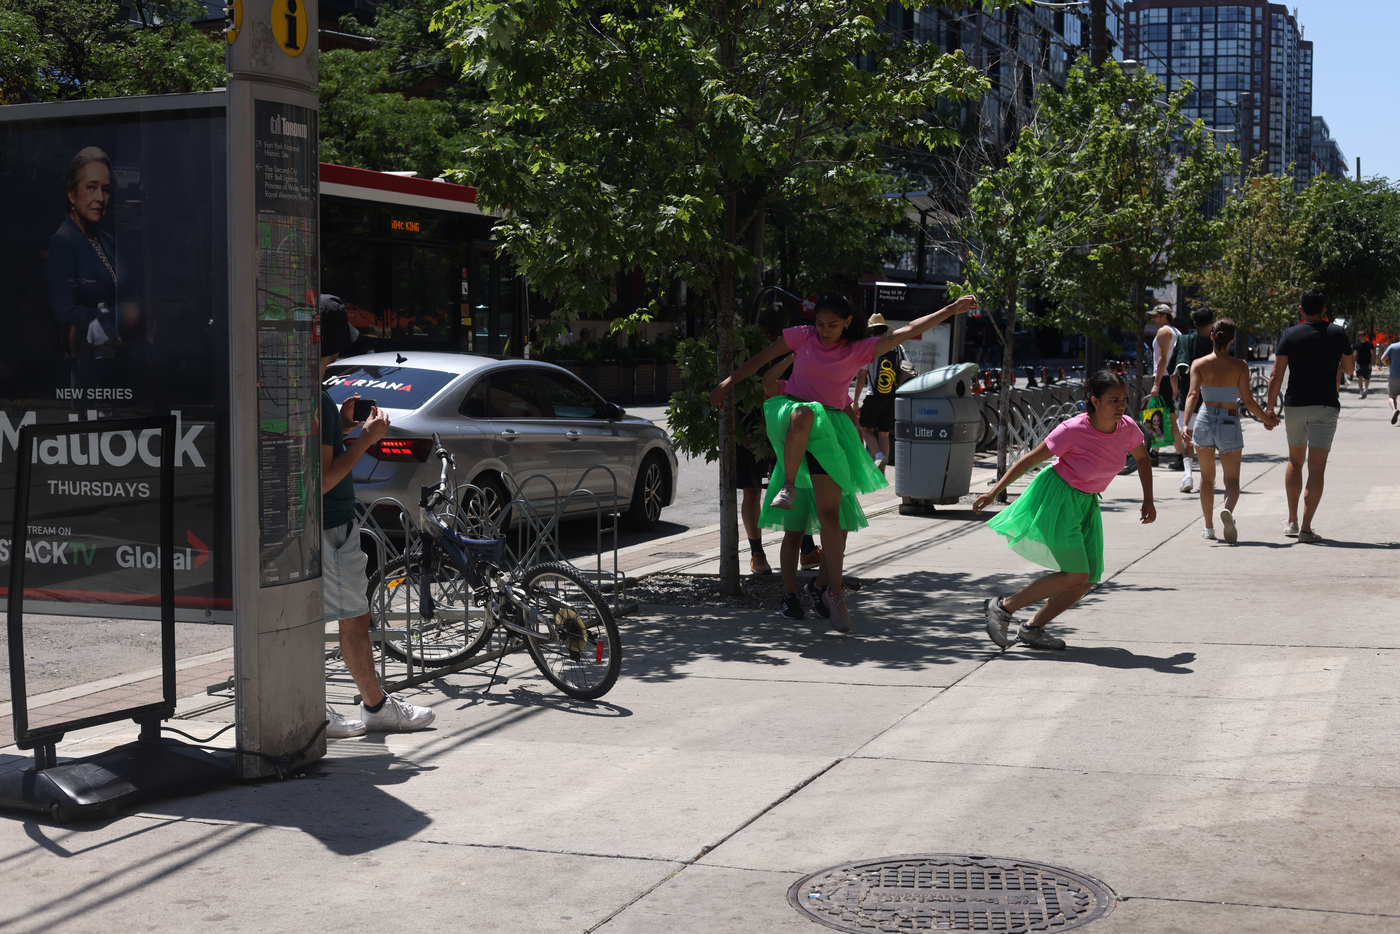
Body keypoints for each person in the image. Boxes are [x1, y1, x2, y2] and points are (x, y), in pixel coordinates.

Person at [711, 292, 978, 632]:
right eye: (820, 323)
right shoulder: (802, 336)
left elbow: (908, 329)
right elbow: (761, 360)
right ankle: (789, 487)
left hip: (829, 429)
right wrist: (727, 382)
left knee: (832, 518)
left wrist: (952, 309)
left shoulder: (859, 348)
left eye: (833, 325)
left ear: (848, 322)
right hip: (793, 416)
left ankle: (833, 593)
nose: (824, 331)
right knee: (805, 413)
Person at [319, 295, 436, 737]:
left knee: (323, 617)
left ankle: (324, 706)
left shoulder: (300, 395)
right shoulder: (316, 400)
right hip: (331, 525)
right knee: (353, 616)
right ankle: (375, 706)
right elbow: (325, 479)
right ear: (333, 347)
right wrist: (365, 439)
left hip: (316, 525)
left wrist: (344, 427)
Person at [976, 369, 1155, 650]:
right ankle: (1003, 607)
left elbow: (1143, 459)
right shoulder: (1072, 429)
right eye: (1113, 400)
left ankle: (1032, 629)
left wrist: (1148, 499)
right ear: (1095, 401)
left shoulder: (1128, 428)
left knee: (1087, 578)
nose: (1121, 405)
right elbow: (1028, 460)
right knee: (1076, 573)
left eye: (1123, 399)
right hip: (1058, 497)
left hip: (1087, 502)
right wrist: (993, 492)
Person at [1266, 289, 1354, 543]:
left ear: (1301, 310)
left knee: (1295, 461)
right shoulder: (1337, 333)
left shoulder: (1290, 334)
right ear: (1324, 308)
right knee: (1316, 467)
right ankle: (1306, 528)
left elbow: (1276, 375)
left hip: (1295, 406)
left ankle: (1292, 521)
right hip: (1325, 406)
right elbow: (1349, 368)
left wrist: (1269, 410)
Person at [1180, 318, 1280, 543]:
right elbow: (1249, 401)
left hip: (1204, 419)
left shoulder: (1198, 364)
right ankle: (1227, 510)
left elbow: (1192, 395)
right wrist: (1267, 419)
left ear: (1212, 336)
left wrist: (1186, 424)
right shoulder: (1240, 366)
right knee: (1232, 480)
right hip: (1229, 421)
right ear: (1232, 340)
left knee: (1206, 478)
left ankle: (1208, 527)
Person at [45, 147, 117, 383]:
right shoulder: (62, 242)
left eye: (105, 189)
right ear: (71, 194)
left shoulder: (107, 241)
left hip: (111, 361)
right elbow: (64, 314)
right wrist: (120, 315)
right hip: (83, 366)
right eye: (91, 187)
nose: (100, 198)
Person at [852, 312, 909, 475]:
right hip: (891, 398)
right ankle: (882, 470)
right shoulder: (898, 347)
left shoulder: (870, 347)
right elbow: (907, 367)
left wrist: (855, 401)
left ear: (870, 331)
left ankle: (879, 456)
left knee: (865, 430)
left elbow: (861, 377)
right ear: (884, 330)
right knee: (884, 434)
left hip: (874, 397)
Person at [1171, 306, 1215, 494]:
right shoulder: (1216, 342)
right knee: (1207, 440)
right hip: (1210, 398)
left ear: (1195, 323)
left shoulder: (1184, 341)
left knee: (1187, 435)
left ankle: (1187, 475)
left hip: (1187, 396)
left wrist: (1174, 391)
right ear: (1212, 323)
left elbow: (1173, 370)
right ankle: (1207, 476)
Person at [1148, 303, 1186, 472]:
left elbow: (1162, 359)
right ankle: (1157, 454)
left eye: (1155, 316)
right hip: (1172, 378)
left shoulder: (1164, 331)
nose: (1153, 319)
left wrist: (1156, 383)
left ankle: (1175, 456)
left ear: (1164, 316)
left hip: (1163, 378)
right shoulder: (1177, 332)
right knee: (1166, 418)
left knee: (1162, 417)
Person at [1380, 336, 1400, 425]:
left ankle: (1394, 409)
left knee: (1392, 397)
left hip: (1394, 375)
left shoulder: (1393, 347)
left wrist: (1388, 364)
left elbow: (1383, 359)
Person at [1353, 334, 1372, 400]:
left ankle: (1366, 389)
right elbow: (1355, 354)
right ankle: (1361, 392)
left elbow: (1373, 354)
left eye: (1362, 337)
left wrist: (1371, 363)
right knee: (1360, 377)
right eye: (1359, 337)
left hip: (1367, 364)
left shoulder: (1369, 344)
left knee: (1366, 378)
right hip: (1359, 363)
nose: (1361, 338)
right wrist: (1353, 363)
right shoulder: (1357, 345)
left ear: (1365, 337)